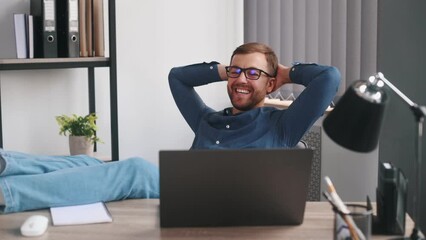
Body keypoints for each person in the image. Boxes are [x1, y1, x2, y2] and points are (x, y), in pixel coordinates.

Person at [0, 42, 340, 213]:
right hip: (184, 198)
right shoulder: (207, 120)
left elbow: (330, 78)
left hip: (217, 206)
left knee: (134, 170)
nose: (240, 80)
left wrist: (285, 73)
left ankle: (7, 196)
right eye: (235, 72)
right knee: (90, 163)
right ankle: (7, 165)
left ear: (270, 85)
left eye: (253, 74)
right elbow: (177, 77)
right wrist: (224, 68)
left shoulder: (281, 126)